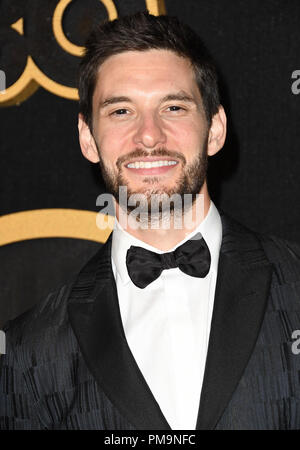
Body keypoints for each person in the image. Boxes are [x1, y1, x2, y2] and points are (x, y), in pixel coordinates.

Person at [1, 11, 300, 431]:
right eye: (121, 111)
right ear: (88, 138)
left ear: (215, 129)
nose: (148, 136)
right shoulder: (27, 351)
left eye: (173, 107)